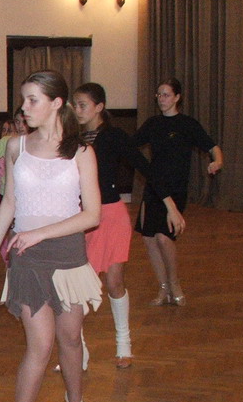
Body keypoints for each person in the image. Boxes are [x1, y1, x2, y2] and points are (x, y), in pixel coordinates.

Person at [0, 70, 103, 402]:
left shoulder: (80, 152)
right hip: (27, 258)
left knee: (71, 338)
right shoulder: (15, 146)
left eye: (33, 99)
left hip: (68, 256)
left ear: (56, 103)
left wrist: (41, 233)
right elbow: (11, 204)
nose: (24, 107)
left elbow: (93, 215)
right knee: (41, 345)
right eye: (24, 99)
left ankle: (76, 400)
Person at [72, 82, 186, 368]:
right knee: (78, 287)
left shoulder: (114, 136)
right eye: (76, 105)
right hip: (81, 218)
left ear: (99, 107)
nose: (78, 110)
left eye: (83, 105)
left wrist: (170, 206)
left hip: (111, 217)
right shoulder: (71, 139)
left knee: (113, 282)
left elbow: (147, 169)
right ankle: (77, 351)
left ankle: (124, 344)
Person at [135, 78, 223, 306]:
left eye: (165, 94)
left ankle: (174, 283)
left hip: (175, 189)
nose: (161, 99)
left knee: (164, 238)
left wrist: (217, 161)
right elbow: (131, 145)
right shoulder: (153, 124)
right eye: (158, 95)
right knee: (149, 239)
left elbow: (212, 147)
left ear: (177, 97)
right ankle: (163, 288)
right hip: (154, 187)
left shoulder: (187, 124)